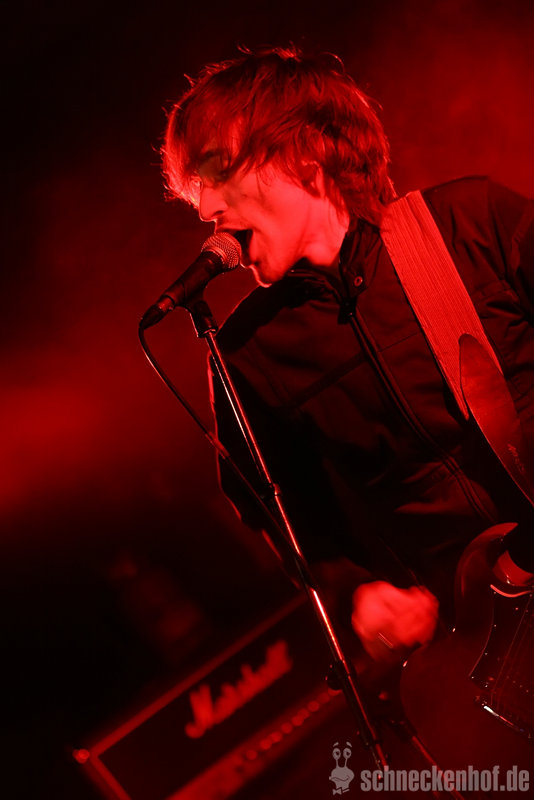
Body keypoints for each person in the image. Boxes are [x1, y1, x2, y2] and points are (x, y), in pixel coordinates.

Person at [161, 46, 534, 664]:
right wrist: (356, 592)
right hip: (485, 654)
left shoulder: (471, 224)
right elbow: (281, 519)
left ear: (302, 161)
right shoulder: (248, 354)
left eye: (216, 172)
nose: (206, 210)